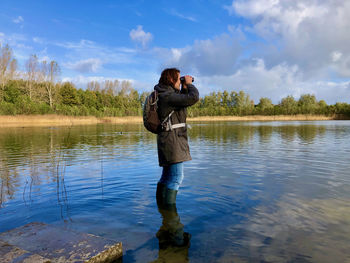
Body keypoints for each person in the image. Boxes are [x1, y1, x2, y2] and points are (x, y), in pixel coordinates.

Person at [154, 68, 199, 205]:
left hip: (169, 139)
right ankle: (170, 215)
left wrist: (184, 87)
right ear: (171, 79)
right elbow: (193, 98)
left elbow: (182, 103)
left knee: (167, 177)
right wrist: (190, 85)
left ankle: (162, 209)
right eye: (179, 79)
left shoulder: (165, 94)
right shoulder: (167, 96)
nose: (180, 82)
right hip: (172, 142)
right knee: (176, 178)